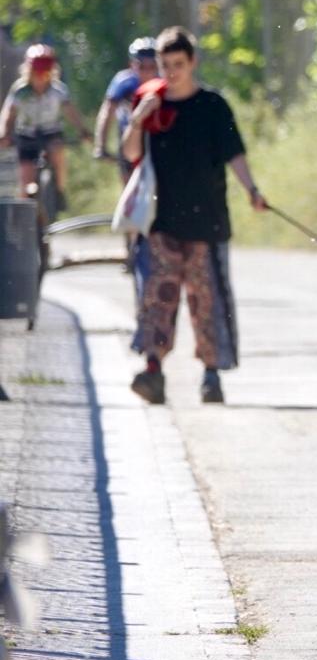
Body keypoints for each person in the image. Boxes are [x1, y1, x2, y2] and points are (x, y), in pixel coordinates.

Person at [122, 26, 267, 406]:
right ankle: (153, 371)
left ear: (193, 62)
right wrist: (138, 119)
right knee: (158, 297)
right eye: (165, 65)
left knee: (209, 300)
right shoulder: (151, 105)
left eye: (178, 64)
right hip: (162, 221)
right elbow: (131, 152)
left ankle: (211, 375)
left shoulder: (213, 107)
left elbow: (235, 153)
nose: (171, 72)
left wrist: (252, 190)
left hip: (208, 221)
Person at [0, 44, 92, 209]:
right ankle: (25, 212)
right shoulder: (20, 91)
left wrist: (83, 131)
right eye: (37, 73)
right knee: (26, 179)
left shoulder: (59, 91)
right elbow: (8, 113)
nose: (41, 78)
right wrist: (4, 133)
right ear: (28, 72)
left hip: (51, 133)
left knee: (57, 152)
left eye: (46, 73)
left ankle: (59, 189)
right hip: (26, 136)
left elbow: (71, 113)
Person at [94, 37, 160, 180]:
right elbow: (107, 111)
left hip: (157, 138)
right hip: (128, 136)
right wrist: (101, 145)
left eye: (152, 66)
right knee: (129, 188)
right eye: (142, 66)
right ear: (132, 65)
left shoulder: (163, 81)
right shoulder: (123, 81)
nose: (148, 72)